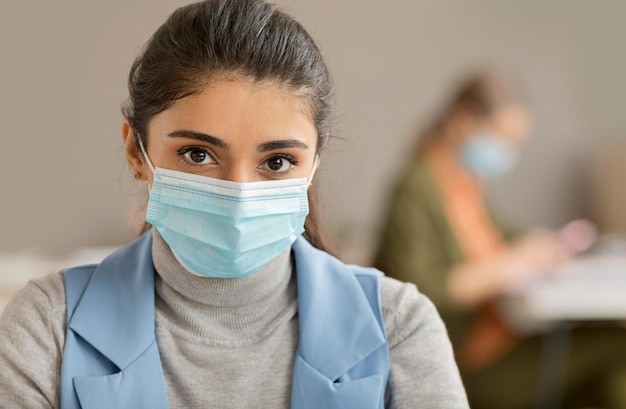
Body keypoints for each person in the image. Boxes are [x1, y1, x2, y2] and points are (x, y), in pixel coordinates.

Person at [0, 1, 469, 408]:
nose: (239, 193)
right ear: (134, 151)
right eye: (198, 155)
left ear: (315, 162)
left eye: (278, 160)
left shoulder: (400, 324)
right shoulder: (47, 327)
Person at [373, 70, 626, 409]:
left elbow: (506, 234)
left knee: (608, 371)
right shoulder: (417, 189)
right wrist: (509, 264)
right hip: (467, 359)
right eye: (501, 137)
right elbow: (417, 289)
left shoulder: (466, 188)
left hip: (500, 338)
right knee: (616, 345)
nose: (506, 152)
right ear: (463, 121)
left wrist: (542, 245)